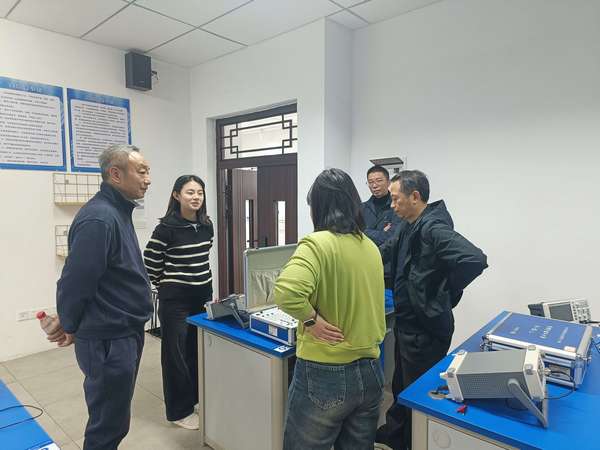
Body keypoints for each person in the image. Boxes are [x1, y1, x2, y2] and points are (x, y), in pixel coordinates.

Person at [273, 168, 387, 450]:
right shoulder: (369, 245)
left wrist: (311, 320)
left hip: (325, 373)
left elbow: (287, 292)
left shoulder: (316, 244)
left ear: (318, 207)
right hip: (371, 371)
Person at [376, 170, 488, 450]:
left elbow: (474, 259)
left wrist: (444, 292)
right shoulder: (408, 225)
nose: (392, 205)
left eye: (396, 199)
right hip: (406, 325)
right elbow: (386, 250)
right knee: (401, 384)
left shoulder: (433, 228)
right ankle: (396, 435)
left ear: (415, 196)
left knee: (417, 392)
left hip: (424, 330)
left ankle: (413, 441)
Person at [55, 144, 152, 450]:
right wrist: (69, 324)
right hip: (109, 338)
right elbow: (76, 281)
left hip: (123, 331)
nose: (148, 179)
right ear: (115, 174)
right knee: (107, 424)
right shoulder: (100, 218)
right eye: (141, 171)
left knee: (114, 419)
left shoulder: (117, 211)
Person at [143, 175, 213, 430]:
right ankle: (179, 411)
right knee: (175, 355)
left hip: (202, 296)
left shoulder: (206, 225)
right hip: (175, 301)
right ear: (176, 195)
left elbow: (203, 256)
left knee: (196, 350)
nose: (196, 197)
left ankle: (194, 398)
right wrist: (168, 283)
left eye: (200, 192)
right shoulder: (166, 228)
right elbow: (150, 262)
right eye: (190, 192)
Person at [361, 165, 404, 288]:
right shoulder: (361, 208)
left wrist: (363, 231)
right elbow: (354, 237)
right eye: (370, 182)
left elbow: (392, 237)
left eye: (379, 180)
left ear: (388, 182)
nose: (374, 185)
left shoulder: (398, 207)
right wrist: (381, 232)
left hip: (389, 273)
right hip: (365, 270)